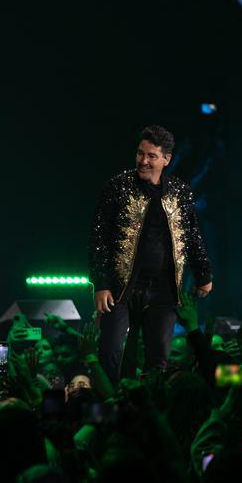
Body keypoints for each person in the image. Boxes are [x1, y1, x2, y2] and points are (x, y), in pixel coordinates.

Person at [88, 125, 212, 383]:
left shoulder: (180, 191)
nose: (143, 161)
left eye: (151, 156)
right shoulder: (117, 186)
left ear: (166, 159)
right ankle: (110, 403)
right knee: (111, 351)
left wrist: (204, 274)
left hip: (163, 288)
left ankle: (151, 404)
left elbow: (192, 234)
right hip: (121, 285)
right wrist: (101, 283)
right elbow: (99, 238)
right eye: (140, 153)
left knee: (158, 357)